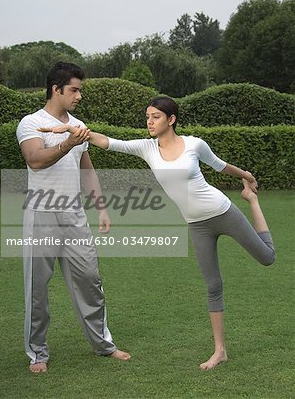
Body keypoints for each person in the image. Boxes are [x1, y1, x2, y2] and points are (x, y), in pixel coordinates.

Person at [40, 96, 275, 370]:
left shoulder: (195, 144)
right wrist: (74, 131)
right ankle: (220, 350)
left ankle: (254, 204)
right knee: (213, 285)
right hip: (197, 224)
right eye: (148, 116)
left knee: (267, 257)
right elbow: (107, 142)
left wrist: (245, 176)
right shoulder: (146, 148)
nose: (149, 121)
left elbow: (220, 166)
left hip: (223, 212)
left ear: (171, 119)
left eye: (156, 117)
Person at [16, 61, 131, 373]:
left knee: (90, 280)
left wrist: (102, 206)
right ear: (56, 90)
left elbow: (87, 170)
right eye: (74, 90)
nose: (79, 95)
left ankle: (103, 345)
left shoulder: (78, 125)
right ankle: (37, 353)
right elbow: (35, 160)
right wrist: (68, 142)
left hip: (74, 215)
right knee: (37, 287)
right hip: (41, 213)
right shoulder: (31, 123)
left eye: (80, 89)